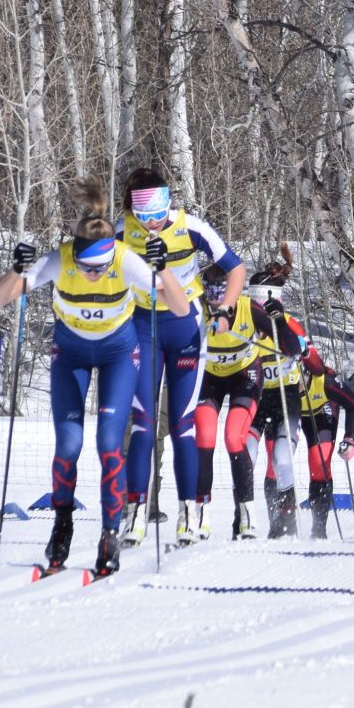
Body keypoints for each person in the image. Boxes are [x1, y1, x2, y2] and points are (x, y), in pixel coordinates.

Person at [0, 176, 191, 579]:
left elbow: (181, 308)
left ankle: (109, 534)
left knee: (109, 442)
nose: (92, 274)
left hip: (118, 355)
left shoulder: (124, 258)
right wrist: (16, 270)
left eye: (100, 267)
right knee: (69, 443)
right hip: (71, 356)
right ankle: (62, 526)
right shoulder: (61, 258)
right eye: (85, 267)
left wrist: (163, 269)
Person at [118, 169, 246, 551]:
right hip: (142, 327)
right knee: (142, 423)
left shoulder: (190, 226)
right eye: (144, 215)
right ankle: (135, 514)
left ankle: (189, 513)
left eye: (159, 212)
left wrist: (226, 308)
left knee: (182, 425)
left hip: (186, 327)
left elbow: (236, 268)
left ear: (168, 204)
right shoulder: (121, 231)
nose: (153, 222)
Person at [192, 276, 264, 540]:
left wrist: (295, 344)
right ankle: (200, 514)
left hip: (245, 376)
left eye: (221, 302)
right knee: (204, 436)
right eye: (210, 302)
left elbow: (283, 334)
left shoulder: (248, 308)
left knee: (234, 437)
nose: (215, 308)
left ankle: (247, 516)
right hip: (210, 378)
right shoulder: (197, 309)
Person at [250, 264, 310, 539]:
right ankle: (252, 519)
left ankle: (287, 521)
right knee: (246, 453)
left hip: (286, 394)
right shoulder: (249, 322)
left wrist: (281, 324)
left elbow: (300, 349)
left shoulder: (287, 320)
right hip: (259, 396)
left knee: (282, 459)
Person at [296, 333, 354, 540]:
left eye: (298, 380)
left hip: (322, 413)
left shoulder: (325, 380)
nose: (296, 385)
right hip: (298, 415)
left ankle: (319, 529)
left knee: (319, 461)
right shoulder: (283, 385)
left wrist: (350, 438)